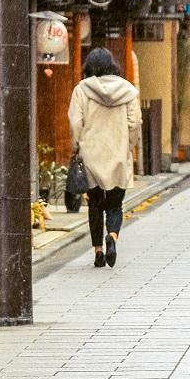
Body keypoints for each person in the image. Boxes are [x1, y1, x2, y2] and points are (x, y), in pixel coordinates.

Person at [69, 48, 142, 268]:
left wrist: (77, 146)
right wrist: (128, 146)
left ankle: (98, 251)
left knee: (95, 204)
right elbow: (135, 123)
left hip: (91, 154)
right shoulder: (128, 91)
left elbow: (75, 122)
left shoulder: (81, 90)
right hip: (118, 154)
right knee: (114, 205)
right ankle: (112, 236)